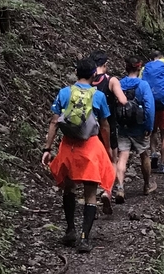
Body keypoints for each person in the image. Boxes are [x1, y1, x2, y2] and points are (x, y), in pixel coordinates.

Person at [41, 57, 116, 253]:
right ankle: (84, 238)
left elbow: (54, 122)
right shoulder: (98, 96)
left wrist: (47, 149)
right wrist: (107, 148)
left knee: (69, 189)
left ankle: (70, 230)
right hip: (90, 148)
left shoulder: (65, 93)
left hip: (68, 149)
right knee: (90, 194)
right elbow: (105, 126)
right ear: (94, 75)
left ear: (76, 73)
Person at [113, 54, 156, 200]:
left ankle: (120, 188)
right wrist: (149, 126)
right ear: (139, 68)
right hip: (139, 126)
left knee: (122, 156)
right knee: (144, 154)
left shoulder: (119, 84)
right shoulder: (143, 85)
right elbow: (149, 107)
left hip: (123, 126)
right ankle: (146, 185)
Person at [91, 52, 127, 158]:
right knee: (112, 158)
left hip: (89, 123)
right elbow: (123, 100)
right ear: (105, 64)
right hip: (108, 122)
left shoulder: (87, 79)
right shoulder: (111, 80)